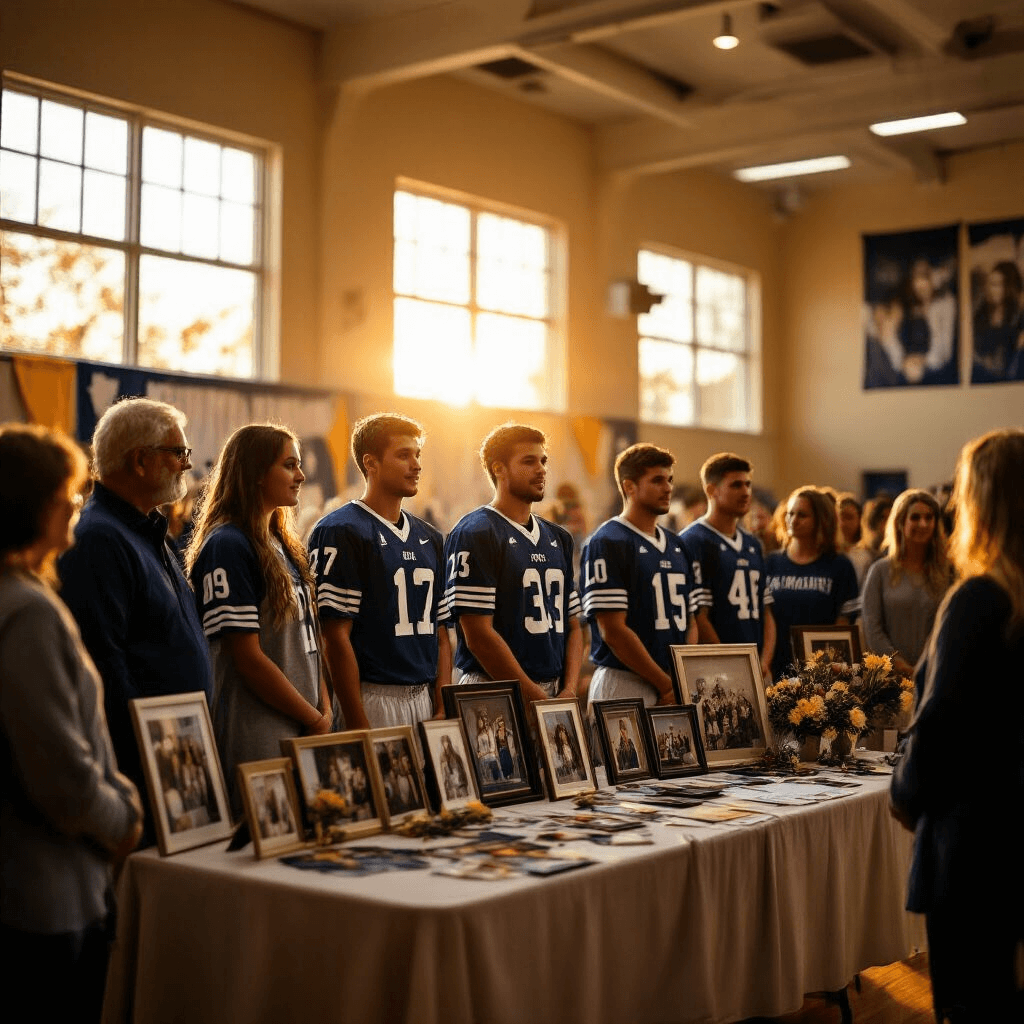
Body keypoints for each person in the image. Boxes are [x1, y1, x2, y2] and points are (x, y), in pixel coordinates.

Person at [0, 424, 143, 1024]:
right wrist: (125, 819)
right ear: (33, 505)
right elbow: (61, 777)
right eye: (67, 495)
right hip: (44, 896)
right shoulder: (27, 612)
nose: (76, 506)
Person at [891, 428, 1024, 1022]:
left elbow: (939, 724)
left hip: (977, 845)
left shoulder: (980, 598)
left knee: (973, 1007)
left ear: (979, 501)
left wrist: (903, 793)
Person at [58, 397, 213, 841]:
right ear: (141, 461)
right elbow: (105, 667)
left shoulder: (148, 533)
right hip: (145, 772)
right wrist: (145, 770)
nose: (187, 465)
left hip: (178, 763)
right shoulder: (99, 540)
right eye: (178, 453)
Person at [186, 424, 331, 817]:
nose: (301, 475)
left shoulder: (281, 542)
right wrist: (312, 715)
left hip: (303, 721)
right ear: (254, 473)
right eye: (289, 465)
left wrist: (323, 706)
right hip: (259, 729)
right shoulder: (227, 544)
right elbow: (246, 657)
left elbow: (309, 640)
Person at [308, 414, 450, 729]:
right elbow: (334, 636)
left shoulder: (431, 537)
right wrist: (359, 723)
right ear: (370, 463)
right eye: (403, 455)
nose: (416, 464)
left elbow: (441, 635)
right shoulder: (341, 530)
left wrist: (442, 702)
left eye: (417, 455)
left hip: (425, 695)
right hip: (374, 697)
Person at [443, 423, 582, 703]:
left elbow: (574, 626)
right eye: (529, 461)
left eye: (543, 461)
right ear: (499, 469)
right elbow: (478, 636)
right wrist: (533, 695)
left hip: (554, 691)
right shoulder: (476, 532)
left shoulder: (559, 537)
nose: (541, 469)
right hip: (494, 686)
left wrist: (568, 690)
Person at [581, 443, 696, 707]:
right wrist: (666, 684)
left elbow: (690, 620)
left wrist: (678, 677)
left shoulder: (677, 544)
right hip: (625, 680)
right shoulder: (609, 540)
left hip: (672, 683)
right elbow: (613, 630)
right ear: (629, 486)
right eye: (657, 480)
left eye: (669, 480)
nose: (668, 488)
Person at [681, 452, 775, 680]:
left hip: (756, 666)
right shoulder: (693, 540)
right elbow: (698, 616)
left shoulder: (753, 543)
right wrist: (730, 663)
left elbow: (766, 612)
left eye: (748, 484)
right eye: (736, 485)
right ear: (712, 490)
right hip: (716, 669)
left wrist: (763, 661)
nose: (745, 492)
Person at [764, 486, 859, 678]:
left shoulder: (839, 565)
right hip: (776, 666)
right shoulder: (771, 562)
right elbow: (765, 617)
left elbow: (843, 624)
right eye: (790, 514)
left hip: (822, 670)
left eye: (802, 515)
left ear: (821, 520)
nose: (793, 520)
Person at [862, 489, 952, 678]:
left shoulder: (948, 573)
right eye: (915, 517)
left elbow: (950, 626)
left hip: (935, 673)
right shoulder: (879, 571)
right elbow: (872, 628)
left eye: (929, 518)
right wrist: (898, 663)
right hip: (889, 677)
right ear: (901, 522)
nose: (923, 523)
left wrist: (928, 665)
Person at [971, 260, 1024, 383]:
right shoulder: (981, 314)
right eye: (989, 284)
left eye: (996, 284)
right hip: (980, 378)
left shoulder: (1017, 318)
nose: (990, 289)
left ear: (1008, 287)